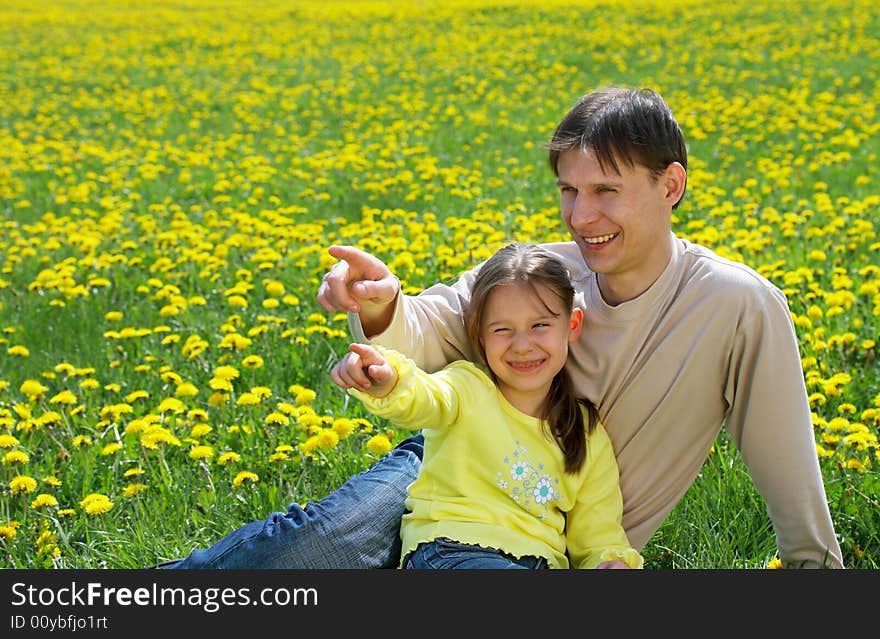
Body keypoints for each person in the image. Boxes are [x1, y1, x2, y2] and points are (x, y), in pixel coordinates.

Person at [165, 86, 843, 569]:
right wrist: (381, 305)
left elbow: (783, 450)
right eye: (569, 191)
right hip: (455, 465)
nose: (582, 215)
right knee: (315, 548)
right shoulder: (542, 273)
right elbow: (435, 324)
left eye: (606, 190)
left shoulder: (736, 304)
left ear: (670, 186)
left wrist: (812, 564)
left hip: (559, 529)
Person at [331, 242, 643, 569]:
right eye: (502, 329)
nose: (523, 345)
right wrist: (390, 380)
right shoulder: (468, 387)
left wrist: (608, 562)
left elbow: (597, 532)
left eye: (540, 326)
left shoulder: (584, 432)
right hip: (450, 550)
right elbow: (426, 396)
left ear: (572, 326)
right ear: (480, 336)